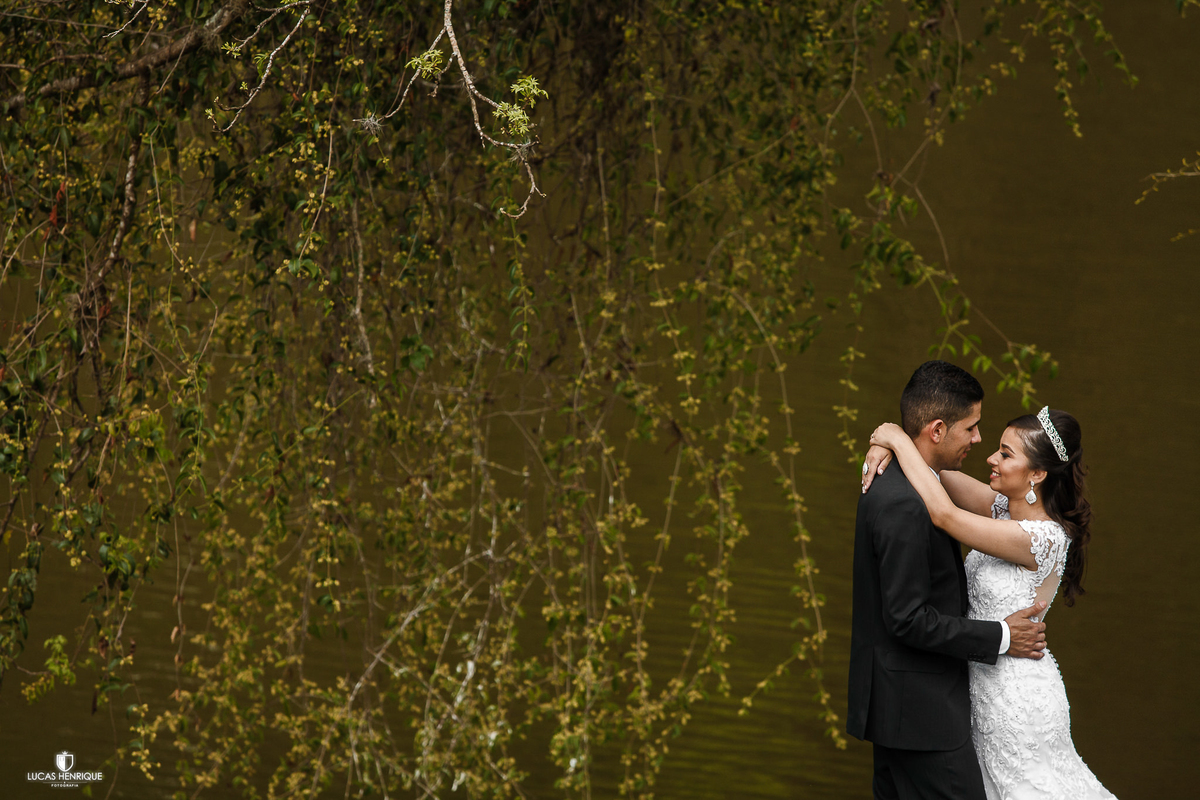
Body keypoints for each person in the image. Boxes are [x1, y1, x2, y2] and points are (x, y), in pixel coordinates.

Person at [863, 398, 1117, 799]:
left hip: (1016, 693)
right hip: (981, 684)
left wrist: (892, 434)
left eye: (1005, 454)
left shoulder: (1040, 538)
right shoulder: (1005, 511)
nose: (990, 458)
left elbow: (943, 514)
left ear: (1036, 473)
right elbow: (935, 471)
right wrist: (889, 446)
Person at [846, 360, 1048, 800]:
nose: (979, 441)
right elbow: (907, 618)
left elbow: (945, 503)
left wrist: (895, 439)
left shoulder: (908, 484)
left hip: (907, 709)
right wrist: (1002, 636)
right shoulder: (905, 503)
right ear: (937, 430)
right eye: (972, 428)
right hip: (924, 718)